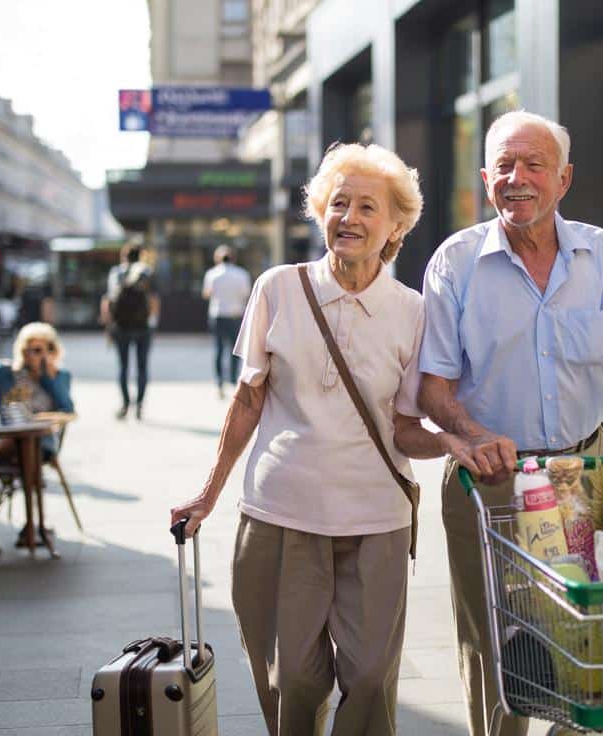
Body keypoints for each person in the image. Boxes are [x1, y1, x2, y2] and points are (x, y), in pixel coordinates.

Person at [169, 142, 476, 736]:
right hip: (281, 514)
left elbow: (406, 427)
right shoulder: (277, 288)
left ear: (395, 226)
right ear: (320, 212)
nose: (350, 217)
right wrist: (208, 495)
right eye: (339, 203)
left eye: (368, 207)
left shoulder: (413, 311)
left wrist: (451, 441)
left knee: (368, 679)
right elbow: (248, 400)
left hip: (376, 520)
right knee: (294, 681)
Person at [417, 111, 603, 736]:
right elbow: (433, 389)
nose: (518, 179)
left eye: (534, 165)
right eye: (505, 166)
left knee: (597, 631)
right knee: (499, 643)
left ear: (563, 179)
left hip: (587, 468)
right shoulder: (455, 263)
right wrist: (471, 431)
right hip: (489, 477)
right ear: (485, 177)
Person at [0, 321, 74, 547]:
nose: (41, 355)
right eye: (35, 350)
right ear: (23, 350)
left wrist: (46, 376)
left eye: (48, 349)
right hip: (8, 435)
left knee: (27, 443)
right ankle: (34, 526)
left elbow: (67, 409)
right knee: (21, 442)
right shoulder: (7, 371)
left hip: (41, 442)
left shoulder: (60, 376)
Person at [100, 245, 159, 420]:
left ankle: (125, 405)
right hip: (143, 326)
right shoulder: (146, 272)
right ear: (140, 256)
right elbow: (154, 299)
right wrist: (152, 321)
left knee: (123, 366)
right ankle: (140, 405)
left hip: (121, 325)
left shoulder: (116, 273)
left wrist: (108, 325)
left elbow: (108, 300)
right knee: (142, 367)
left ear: (124, 257)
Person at [202, 245, 252, 398]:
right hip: (235, 315)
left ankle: (219, 382)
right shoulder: (242, 274)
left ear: (218, 259)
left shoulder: (212, 274)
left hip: (218, 314)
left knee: (218, 348)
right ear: (234, 258)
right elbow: (246, 294)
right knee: (235, 349)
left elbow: (206, 294)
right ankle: (232, 379)